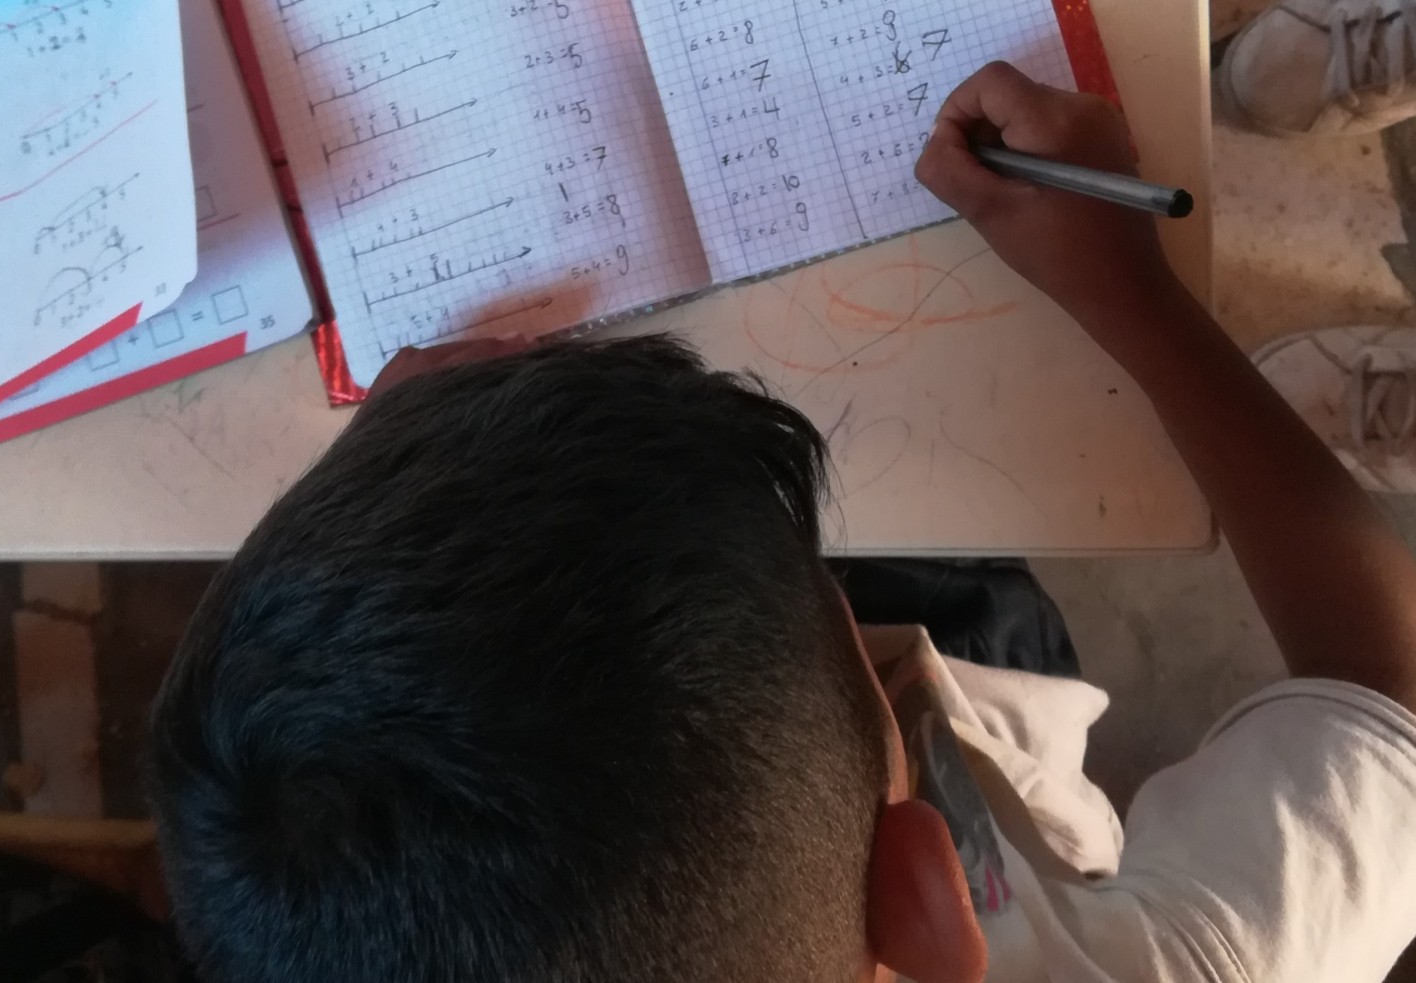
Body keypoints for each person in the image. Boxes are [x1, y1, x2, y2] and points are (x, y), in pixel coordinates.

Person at [146, 62, 1416, 983]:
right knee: (969, 577)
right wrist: (1133, 292)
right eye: (835, 599)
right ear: (927, 907)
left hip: (813, 781)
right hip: (986, 718)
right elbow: (1391, 693)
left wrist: (407, 483)